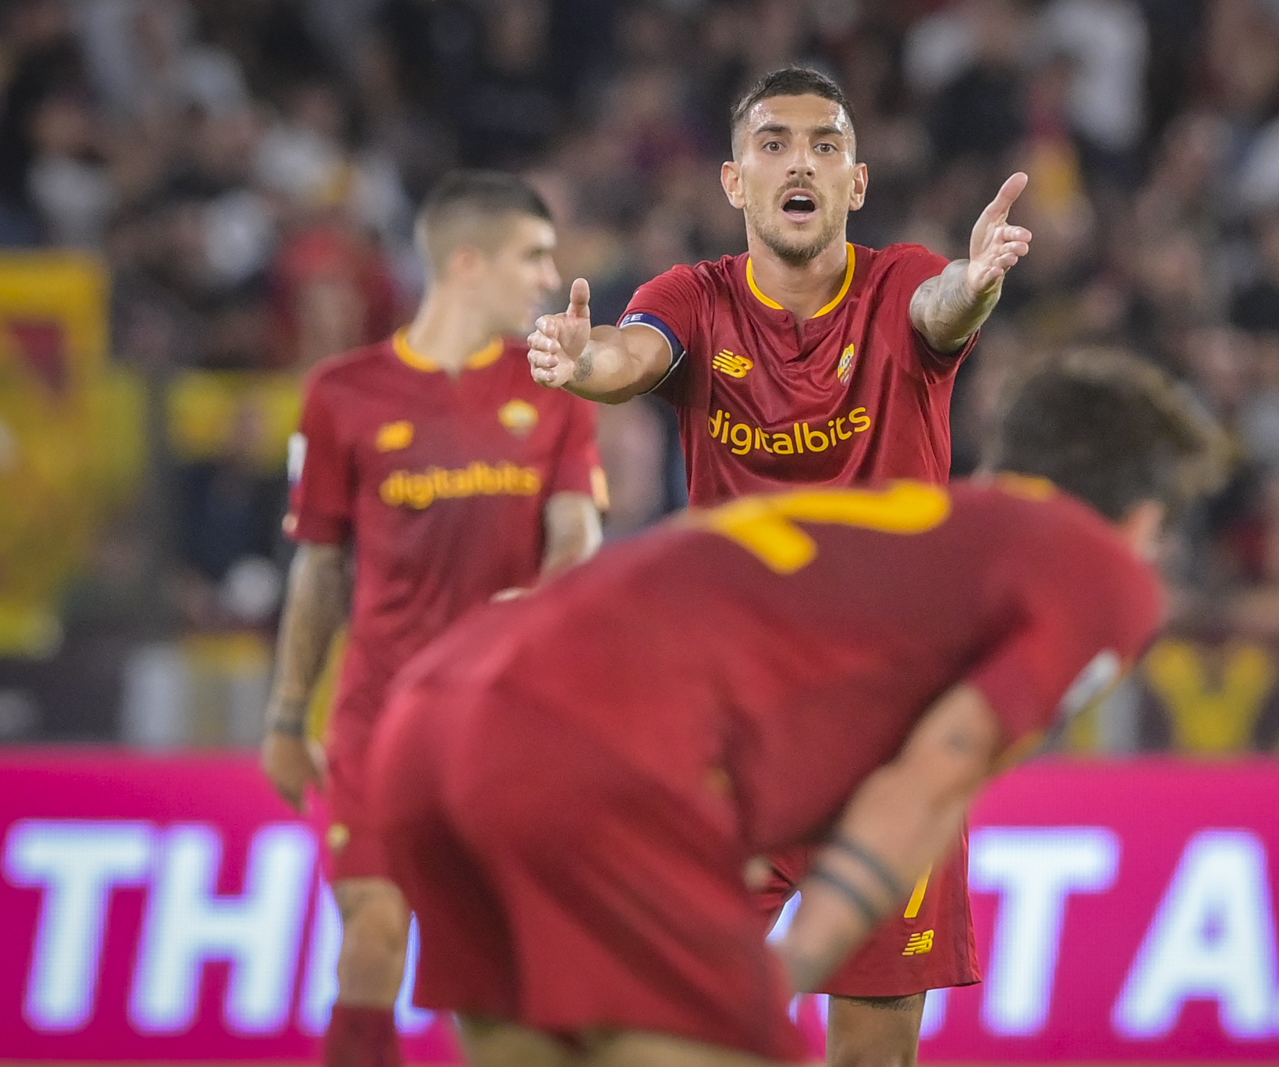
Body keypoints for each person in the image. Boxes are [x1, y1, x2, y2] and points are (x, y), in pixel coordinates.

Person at [370, 350, 1224, 1067]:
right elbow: (935, 774)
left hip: (429, 716)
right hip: (583, 738)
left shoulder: (915, 529)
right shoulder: (1096, 567)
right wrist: (782, 976)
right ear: (1145, 518)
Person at [527, 65, 1032, 1063]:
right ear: (733, 180)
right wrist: (583, 364)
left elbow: (942, 311)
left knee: (870, 1052)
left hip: (889, 732)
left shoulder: (901, 286)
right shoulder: (695, 298)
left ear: (855, 182)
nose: (798, 160)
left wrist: (973, 287)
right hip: (731, 728)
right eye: (773, 143)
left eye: (824, 145)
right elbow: (634, 355)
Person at [261, 171, 606, 1067]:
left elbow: (579, 524)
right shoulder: (343, 393)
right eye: (531, 257)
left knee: (497, 976)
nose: (546, 277)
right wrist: (286, 714)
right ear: (466, 262)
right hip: (382, 720)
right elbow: (321, 567)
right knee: (373, 934)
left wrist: (553, 588)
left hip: (507, 725)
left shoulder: (556, 389)